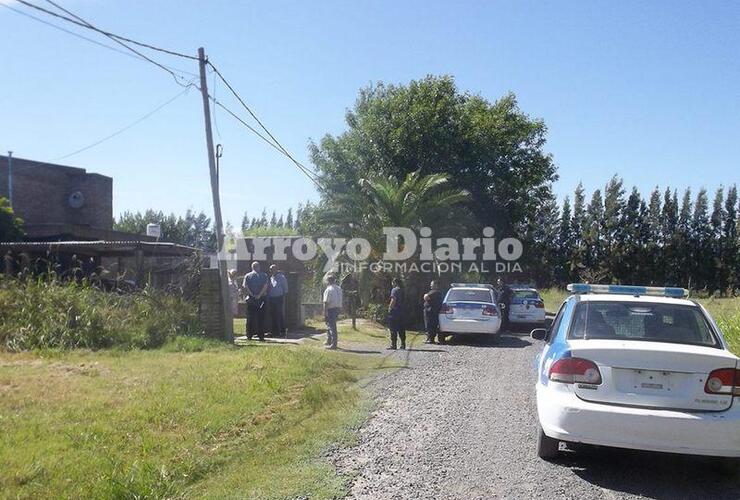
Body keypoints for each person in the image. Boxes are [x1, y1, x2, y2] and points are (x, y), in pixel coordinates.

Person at [243, 261, 270, 341]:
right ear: (259, 267)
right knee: (261, 317)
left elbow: (245, 286)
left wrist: (252, 294)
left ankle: (249, 335)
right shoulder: (264, 275)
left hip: (251, 299)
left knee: (250, 317)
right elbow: (265, 286)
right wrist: (259, 295)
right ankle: (261, 336)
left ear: (252, 267)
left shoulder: (247, 275)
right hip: (261, 299)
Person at [268, 264, 289, 337]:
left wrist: (283, 297)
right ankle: (274, 331)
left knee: (279, 314)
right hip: (271, 298)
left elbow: (285, 288)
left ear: (276, 269)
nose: (271, 270)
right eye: (270, 269)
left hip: (279, 297)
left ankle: (282, 331)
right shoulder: (271, 278)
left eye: (273, 269)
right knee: (273, 315)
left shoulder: (281, 277)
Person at [323, 274, 342, 350]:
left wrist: (324, 312)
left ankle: (334, 344)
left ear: (328, 281)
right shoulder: (339, 288)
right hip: (337, 308)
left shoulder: (328, 289)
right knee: (330, 324)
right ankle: (329, 340)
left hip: (330, 309)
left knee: (332, 326)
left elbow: (326, 302)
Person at [387, 277, 406, 350]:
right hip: (402, 311)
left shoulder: (394, 290)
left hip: (394, 311)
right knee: (401, 328)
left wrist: (390, 308)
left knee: (393, 328)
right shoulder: (402, 290)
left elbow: (393, 299)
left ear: (394, 283)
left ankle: (393, 344)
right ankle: (403, 344)